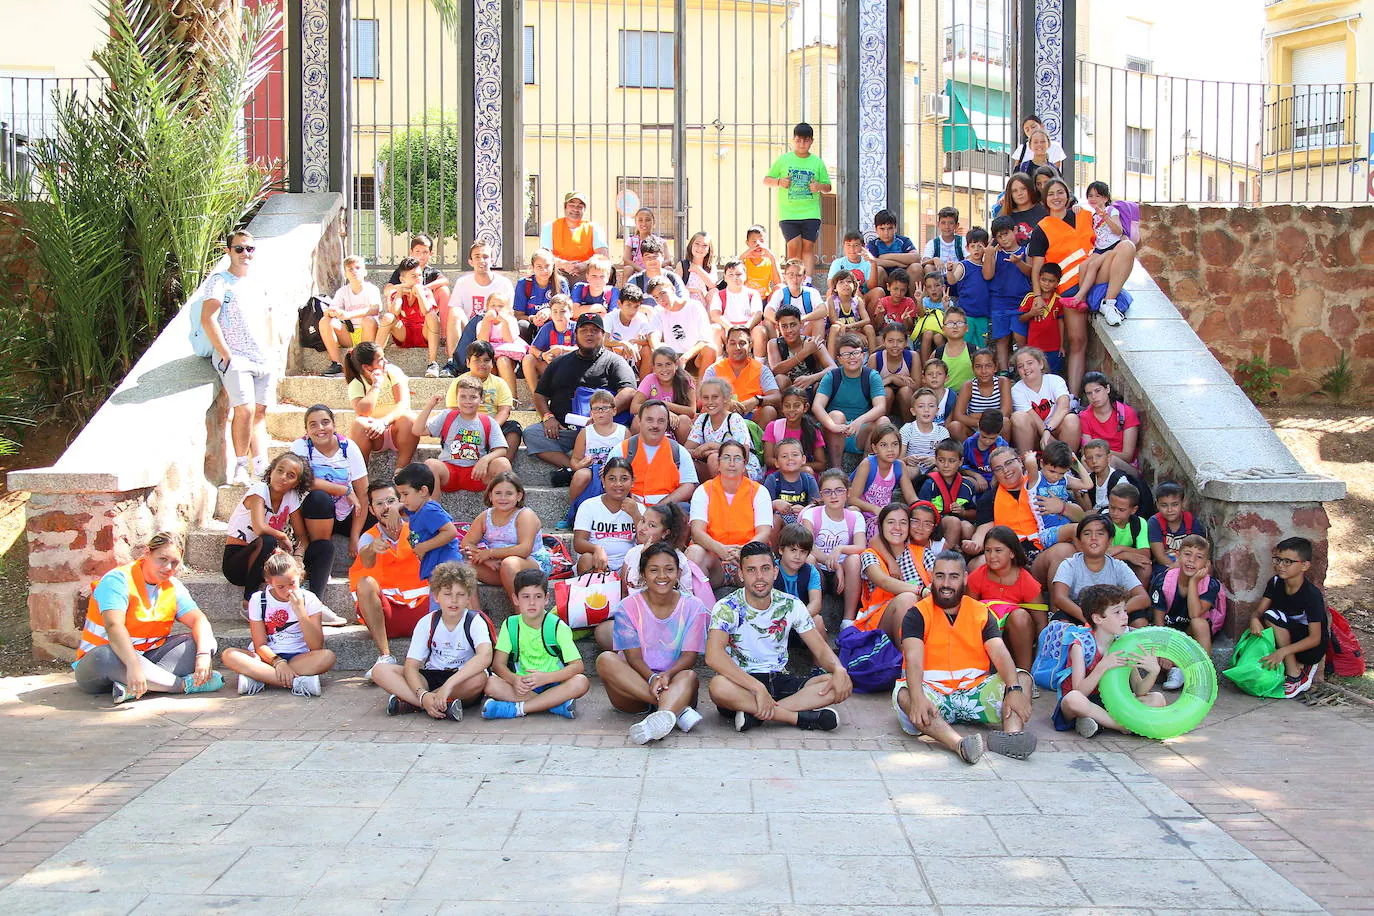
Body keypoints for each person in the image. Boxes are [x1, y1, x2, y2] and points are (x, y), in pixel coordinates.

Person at [893, 551, 1036, 763]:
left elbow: (999, 651)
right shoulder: (917, 613)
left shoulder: (981, 612)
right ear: (931, 576)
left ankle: (1012, 737)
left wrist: (1014, 689)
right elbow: (913, 659)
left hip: (975, 692)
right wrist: (918, 696)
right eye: (940, 576)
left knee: (1021, 678)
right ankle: (959, 744)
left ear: (965, 578)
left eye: (953, 576)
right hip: (934, 693)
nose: (946, 583)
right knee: (904, 693)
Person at [706, 541, 852, 731]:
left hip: (780, 679)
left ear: (775, 572)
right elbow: (713, 656)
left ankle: (756, 715)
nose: (759, 577)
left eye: (765, 569)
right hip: (742, 683)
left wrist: (839, 669)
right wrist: (757, 688)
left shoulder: (791, 604)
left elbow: (821, 649)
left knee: (834, 682)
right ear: (741, 575)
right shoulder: (727, 607)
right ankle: (797, 718)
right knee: (718, 686)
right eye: (751, 570)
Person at [73, 532, 222, 703]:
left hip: (148, 658)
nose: (168, 568)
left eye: (174, 563)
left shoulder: (173, 586)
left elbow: (198, 620)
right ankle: (183, 685)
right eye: (162, 559)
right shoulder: (117, 580)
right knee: (106, 655)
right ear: (147, 553)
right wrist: (133, 666)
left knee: (201, 640)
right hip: (103, 663)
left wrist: (203, 655)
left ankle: (140, 686)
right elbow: (114, 626)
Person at [597, 542, 710, 744]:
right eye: (654, 570)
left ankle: (655, 721)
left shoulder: (694, 606)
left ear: (678, 572)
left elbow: (689, 656)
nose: (662, 576)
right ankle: (675, 710)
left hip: (675, 681)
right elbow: (633, 657)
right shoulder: (628, 607)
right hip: (633, 689)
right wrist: (652, 679)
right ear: (642, 573)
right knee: (605, 659)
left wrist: (665, 676)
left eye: (669, 570)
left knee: (689, 676)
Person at [374, 561, 493, 720]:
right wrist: (422, 694)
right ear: (436, 596)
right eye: (447, 594)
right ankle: (432, 703)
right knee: (380, 670)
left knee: (479, 680)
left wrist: (448, 686)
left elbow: (485, 656)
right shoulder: (427, 622)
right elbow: (411, 666)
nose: (454, 600)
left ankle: (414, 702)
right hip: (431, 675)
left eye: (460, 594)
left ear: (468, 598)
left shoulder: (475, 620)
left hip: (461, 678)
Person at [1027, 177, 1115, 391]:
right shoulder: (1042, 229)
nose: (1056, 197)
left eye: (1060, 192)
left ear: (1067, 194)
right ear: (1044, 200)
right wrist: (1038, 296)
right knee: (1077, 342)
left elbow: (1110, 229)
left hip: (1098, 276)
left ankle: (1110, 301)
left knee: (1123, 248)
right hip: (1070, 289)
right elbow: (1037, 268)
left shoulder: (1085, 215)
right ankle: (1074, 395)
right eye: (1051, 194)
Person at [524, 314, 637, 475]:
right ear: (575, 334)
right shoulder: (559, 362)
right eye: (584, 330)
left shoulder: (614, 361)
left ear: (603, 335)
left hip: (600, 431)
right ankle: (573, 467)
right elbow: (540, 394)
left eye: (594, 330)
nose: (589, 334)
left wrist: (601, 415)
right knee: (531, 434)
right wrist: (548, 417)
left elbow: (628, 391)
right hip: (565, 430)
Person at [201, 230, 271, 486]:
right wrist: (226, 354)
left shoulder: (257, 282)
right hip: (236, 358)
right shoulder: (220, 281)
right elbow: (208, 318)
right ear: (228, 250)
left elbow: (267, 317)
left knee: (260, 412)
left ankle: (260, 465)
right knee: (245, 409)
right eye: (239, 248)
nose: (245, 254)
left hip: (261, 357)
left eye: (250, 249)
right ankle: (241, 466)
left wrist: (269, 349)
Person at [1053, 584, 1164, 737]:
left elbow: (1139, 689)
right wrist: (1102, 666)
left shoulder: (1123, 644)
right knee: (1073, 699)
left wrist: (1153, 672)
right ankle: (1121, 725)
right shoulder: (1081, 646)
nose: (1125, 616)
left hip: (1111, 702)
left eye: (1124, 610)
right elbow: (1079, 691)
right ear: (1098, 618)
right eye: (1117, 612)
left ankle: (1097, 722)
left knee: (1157, 699)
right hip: (1083, 702)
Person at [222, 551, 336, 697]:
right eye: (281, 586)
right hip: (267, 657)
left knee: (327, 657)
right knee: (229, 655)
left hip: (299, 657)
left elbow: (316, 645)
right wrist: (278, 662)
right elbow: (260, 644)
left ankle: (260, 678)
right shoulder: (259, 600)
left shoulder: (309, 599)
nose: (288, 590)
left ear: (299, 577)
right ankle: (297, 682)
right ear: (270, 583)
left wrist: (300, 612)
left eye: (292, 584)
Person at [348, 482, 431, 676]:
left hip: (422, 610)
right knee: (365, 583)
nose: (386, 507)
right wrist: (372, 549)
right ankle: (385, 656)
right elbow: (366, 561)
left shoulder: (415, 527)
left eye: (391, 501)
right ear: (371, 509)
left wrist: (401, 510)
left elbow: (430, 506)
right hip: (387, 616)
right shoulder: (369, 537)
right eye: (379, 504)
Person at [483, 569, 590, 718]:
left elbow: (578, 666)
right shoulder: (510, 625)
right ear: (515, 599)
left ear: (546, 598)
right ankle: (554, 705)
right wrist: (514, 679)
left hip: (553, 683)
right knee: (490, 684)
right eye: (526, 597)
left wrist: (546, 677)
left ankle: (516, 709)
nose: (532, 602)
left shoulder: (557, 626)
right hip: (522, 685)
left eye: (538, 596)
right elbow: (498, 665)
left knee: (581, 682)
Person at [290, 405, 368, 609]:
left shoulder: (348, 447)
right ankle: (319, 557)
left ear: (334, 424)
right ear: (306, 430)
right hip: (314, 514)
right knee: (319, 498)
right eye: (313, 425)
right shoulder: (301, 447)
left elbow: (363, 493)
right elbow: (305, 481)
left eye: (325, 422)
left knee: (383, 512)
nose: (320, 428)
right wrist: (343, 490)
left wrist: (355, 536)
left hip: (346, 511)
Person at [222, 452, 311, 604]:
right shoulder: (260, 489)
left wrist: (298, 556)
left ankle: (306, 603)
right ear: (271, 472)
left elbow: (302, 536)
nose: (283, 477)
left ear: (296, 483)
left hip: (265, 563)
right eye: (280, 470)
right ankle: (247, 601)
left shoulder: (291, 497)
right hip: (237, 563)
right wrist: (282, 536)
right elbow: (259, 528)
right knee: (269, 540)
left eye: (291, 475)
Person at [1250, 536, 1329, 699]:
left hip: (1310, 648)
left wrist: (1282, 652)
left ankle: (1295, 674)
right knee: (1270, 615)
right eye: (1278, 560)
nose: (1280, 565)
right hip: (1288, 639)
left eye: (1288, 562)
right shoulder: (1275, 583)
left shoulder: (1311, 595)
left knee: (1274, 616)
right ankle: (1292, 665)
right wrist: (1254, 620)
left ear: (1305, 566)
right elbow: (1259, 612)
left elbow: (1315, 638)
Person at [688, 439, 773, 586]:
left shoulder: (759, 491)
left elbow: (764, 533)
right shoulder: (704, 490)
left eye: (737, 458)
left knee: (761, 560)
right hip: (714, 557)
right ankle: (703, 606)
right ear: (718, 463)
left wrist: (744, 551)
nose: (732, 463)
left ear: (744, 463)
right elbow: (697, 532)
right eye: (726, 458)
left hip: (746, 556)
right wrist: (720, 549)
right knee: (694, 552)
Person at [461, 472, 555, 603]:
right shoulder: (485, 516)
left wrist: (490, 553)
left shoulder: (525, 515)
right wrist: (485, 560)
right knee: (464, 565)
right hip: (498, 566)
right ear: (490, 495)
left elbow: (524, 549)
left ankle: (522, 616)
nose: (503, 498)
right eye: (498, 493)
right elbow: (467, 543)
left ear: (519, 495)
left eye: (509, 493)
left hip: (531, 563)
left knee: (509, 564)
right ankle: (477, 617)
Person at [965, 525, 1044, 671]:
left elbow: (1041, 624)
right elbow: (967, 614)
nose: (991, 556)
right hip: (987, 638)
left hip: (1018, 641)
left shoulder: (1026, 581)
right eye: (988, 550)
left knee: (1019, 616)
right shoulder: (977, 576)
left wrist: (1040, 660)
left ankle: (1025, 674)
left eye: (998, 550)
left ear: (1012, 553)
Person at [1048, 515, 1151, 625]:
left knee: (1139, 620)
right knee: (1061, 623)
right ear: (1079, 541)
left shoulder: (1118, 566)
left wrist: (1115, 613)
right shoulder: (1069, 565)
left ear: (1110, 541)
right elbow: (1059, 598)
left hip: (1111, 613)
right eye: (1087, 534)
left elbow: (1143, 598)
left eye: (1100, 534)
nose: (1093, 538)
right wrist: (1089, 619)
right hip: (1079, 613)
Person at [417, 381, 512, 494]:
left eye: (473, 397)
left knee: (503, 463)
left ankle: (498, 508)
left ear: (481, 398)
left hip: (476, 472)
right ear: (456, 398)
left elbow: (502, 449)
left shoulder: (488, 422)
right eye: (463, 396)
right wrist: (430, 405)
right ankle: (433, 509)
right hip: (449, 472)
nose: (468, 401)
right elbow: (418, 430)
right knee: (431, 464)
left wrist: (485, 459)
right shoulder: (448, 415)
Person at [764, 121, 832, 279]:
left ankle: (807, 282)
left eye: (806, 140)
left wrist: (819, 186)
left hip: (811, 213)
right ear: (793, 140)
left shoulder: (817, 162)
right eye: (798, 140)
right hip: (789, 214)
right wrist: (780, 182)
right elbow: (767, 180)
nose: (802, 144)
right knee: (793, 247)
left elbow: (828, 187)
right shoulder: (783, 160)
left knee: (808, 248)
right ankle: (792, 280)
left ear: (811, 141)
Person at [854, 502, 930, 638]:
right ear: (881, 526)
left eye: (903, 523)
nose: (897, 528)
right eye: (890, 522)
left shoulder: (925, 554)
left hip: (923, 619)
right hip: (880, 622)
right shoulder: (870, 555)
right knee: (907, 599)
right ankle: (907, 657)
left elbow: (938, 580)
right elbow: (884, 582)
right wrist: (921, 590)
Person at [801, 469, 867, 625]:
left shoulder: (855, 517)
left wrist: (840, 550)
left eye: (839, 490)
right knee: (808, 559)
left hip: (845, 576)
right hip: (819, 572)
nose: (833, 495)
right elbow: (808, 545)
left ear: (848, 492)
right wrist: (833, 564)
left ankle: (848, 620)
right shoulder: (811, 514)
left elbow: (861, 546)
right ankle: (811, 614)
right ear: (821, 494)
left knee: (855, 559)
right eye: (828, 491)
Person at [813, 332, 887, 466]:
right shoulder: (832, 376)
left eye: (855, 353)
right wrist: (833, 426)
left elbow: (881, 407)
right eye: (846, 354)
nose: (851, 358)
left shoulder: (871, 376)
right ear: (839, 359)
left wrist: (859, 421)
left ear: (863, 356)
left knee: (884, 421)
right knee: (836, 415)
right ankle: (837, 469)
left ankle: (866, 468)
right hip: (834, 431)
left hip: (860, 431)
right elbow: (817, 406)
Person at [445, 242, 518, 376]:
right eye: (477, 256)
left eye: (485, 256)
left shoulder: (504, 284)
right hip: (469, 329)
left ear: (492, 260)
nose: (481, 260)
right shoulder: (463, 282)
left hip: (495, 328)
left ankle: (460, 364)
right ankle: (452, 362)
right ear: (470, 261)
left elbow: (509, 313)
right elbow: (454, 311)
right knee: (455, 312)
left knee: (481, 317)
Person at [344, 342, 420, 468]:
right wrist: (376, 385)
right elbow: (363, 412)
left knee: (409, 419)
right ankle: (360, 476)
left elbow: (403, 404)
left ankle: (400, 472)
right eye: (380, 359)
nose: (386, 361)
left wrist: (384, 422)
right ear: (367, 367)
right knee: (359, 423)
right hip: (375, 435)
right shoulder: (357, 382)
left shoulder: (393, 371)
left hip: (397, 430)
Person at [1151, 534, 1222, 665]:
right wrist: (1165, 649)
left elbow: (1195, 614)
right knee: (1158, 664)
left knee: (1199, 623)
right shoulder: (1163, 580)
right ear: (1178, 556)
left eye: (1199, 557)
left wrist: (1193, 582)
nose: (1192, 560)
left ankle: (1204, 673)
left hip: (1192, 633)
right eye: (1187, 554)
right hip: (1168, 631)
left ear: (1206, 564)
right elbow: (1158, 620)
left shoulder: (1211, 585)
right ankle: (1174, 670)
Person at [618, 400, 700, 508]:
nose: (655, 425)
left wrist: (658, 508)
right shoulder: (621, 449)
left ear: (667, 423)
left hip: (666, 512)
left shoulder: (678, 451)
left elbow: (688, 486)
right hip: (628, 509)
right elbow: (611, 482)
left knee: (685, 508)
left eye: (661, 421)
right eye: (649, 420)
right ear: (639, 421)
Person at [564, 388, 630, 522]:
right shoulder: (585, 433)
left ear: (614, 410)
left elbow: (630, 460)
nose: (600, 412)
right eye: (596, 409)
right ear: (591, 413)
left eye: (604, 408)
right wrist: (580, 465)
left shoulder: (623, 432)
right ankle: (573, 512)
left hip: (615, 472)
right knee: (581, 475)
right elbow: (575, 460)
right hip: (592, 471)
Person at [447, 341, 524, 453]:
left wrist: (489, 428)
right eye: (477, 360)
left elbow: (504, 411)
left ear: (492, 363)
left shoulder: (499, 383)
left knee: (514, 429)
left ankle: (502, 465)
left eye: (486, 360)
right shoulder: (458, 382)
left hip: (493, 425)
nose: (482, 364)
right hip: (466, 427)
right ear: (468, 363)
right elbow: (453, 410)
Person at [848, 422, 919, 540]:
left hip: (884, 516)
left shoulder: (899, 466)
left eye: (895, 444)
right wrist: (875, 509)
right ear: (875, 448)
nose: (890, 449)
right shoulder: (868, 464)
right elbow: (852, 498)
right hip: (864, 514)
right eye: (884, 445)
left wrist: (923, 508)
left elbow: (911, 498)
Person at [982, 216, 1034, 372]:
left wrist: (1019, 262)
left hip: (1021, 302)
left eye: (1006, 233)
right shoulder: (995, 253)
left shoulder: (1026, 250)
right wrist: (989, 255)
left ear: (1015, 231)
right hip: (999, 302)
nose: (1003, 239)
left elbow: (1031, 272)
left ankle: (1023, 369)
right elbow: (987, 275)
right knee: (1002, 338)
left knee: (1020, 337)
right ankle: (1004, 371)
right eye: (999, 236)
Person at [394, 462, 462, 581]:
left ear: (423, 491)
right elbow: (402, 509)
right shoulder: (416, 509)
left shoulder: (429, 510)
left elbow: (451, 532)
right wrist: (394, 509)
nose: (402, 499)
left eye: (405, 494)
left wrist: (424, 546)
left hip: (447, 568)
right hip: (435, 569)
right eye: (400, 494)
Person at [703, 325, 782, 427]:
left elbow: (776, 397)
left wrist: (756, 400)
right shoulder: (713, 370)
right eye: (732, 343)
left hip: (751, 417)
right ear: (726, 346)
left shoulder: (761, 370)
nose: (737, 347)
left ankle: (755, 442)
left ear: (750, 346)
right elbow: (704, 399)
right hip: (721, 416)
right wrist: (725, 404)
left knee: (769, 411)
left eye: (742, 343)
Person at [573, 458, 641, 575]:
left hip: (628, 564)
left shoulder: (638, 508)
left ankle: (626, 592)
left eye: (624, 479)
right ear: (603, 481)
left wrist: (636, 515)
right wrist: (597, 549)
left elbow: (646, 543)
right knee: (586, 558)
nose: (618, 484)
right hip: (597, 562)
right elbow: (578, 543)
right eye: (612, 479)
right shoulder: (588, 506)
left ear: (632, 481)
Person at [688, 376, 764, 481]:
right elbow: (686, 450)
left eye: (715, 397)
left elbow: (743, 454)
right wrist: (703, 453)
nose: (710, 402)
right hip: (713, 466)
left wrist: (710, 446)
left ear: (725, 398)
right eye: (706, 397)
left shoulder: (734, 419)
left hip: (742, 468)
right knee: (689, 463)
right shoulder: (702, 419)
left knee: (714, 458)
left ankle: (724, 495)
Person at [377, 256, 443, 377]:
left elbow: (426, 311)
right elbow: (394, 313)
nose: (418, 279)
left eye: (420, 275)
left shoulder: (426, 291)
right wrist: (401, 292)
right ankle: (375, 360)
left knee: (433, 316)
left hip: (424, 333)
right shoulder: (397, 292)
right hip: (404, 334)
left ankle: (432, 363)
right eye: (414, 276)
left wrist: (419, 293)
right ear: (402, 279)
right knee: (387, 317)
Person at [320, 254, 382, 377]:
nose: (354, 272)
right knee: (325, 321)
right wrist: (332, 312)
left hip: (368, 332)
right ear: (345, 274)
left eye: (357, 268)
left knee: (368, 320)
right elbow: (331, 308)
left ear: (365, 272)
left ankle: (365, 362)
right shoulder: (342, 291)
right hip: (349, 333)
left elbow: (375, 309)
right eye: (350, 269)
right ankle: (336, 363)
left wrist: (349, 314)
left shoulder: (371, 289)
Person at [1010, 346, 1080, 453]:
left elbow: (1064, 406)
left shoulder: (1055, 380)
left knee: (1072, 419)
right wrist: (1045, 434)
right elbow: (1032, 416)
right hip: (1034, 434)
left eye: (1030, 363)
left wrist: (1048, 430)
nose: (1025, 368)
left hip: (1056, 429)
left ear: (1041, 364)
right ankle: (1027, 460)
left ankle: (1068, 462)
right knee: (1018, 417)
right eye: (1020, 366)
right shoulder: (1017, 390)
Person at [381, 234, 452, 338]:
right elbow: (387, 290)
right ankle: (395, 334)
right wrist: (404, 287)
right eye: (417, 251)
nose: (421, 255)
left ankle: (444, 335)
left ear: (431, 254)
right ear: (411, 252)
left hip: (425, 312)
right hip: (406, 315)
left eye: (425, 252)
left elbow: (445, 280)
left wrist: (424, 288)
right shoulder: (403, 271)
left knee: (444, 290)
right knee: (392, 296)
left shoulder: (431, 271)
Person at [650, 277, 716, 379]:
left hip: (694, 355)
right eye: (656, 298)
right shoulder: (658, 311)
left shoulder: (694, 306)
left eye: (663, 293)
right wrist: (659, 350)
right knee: (650, 350)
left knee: (710, 349)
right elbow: (654, 335)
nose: (661, 300)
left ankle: (701, 389)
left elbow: (705, 339)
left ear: (672, 289)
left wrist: (685, 358)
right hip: (671, 357)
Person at [541, 190, 611, 282]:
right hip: (558, 272)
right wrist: (564, 264)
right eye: (572, 205)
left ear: (584, 210)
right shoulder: (550, 227)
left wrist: (583, 265)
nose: (575, 209)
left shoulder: (594, 228)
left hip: (586, 273)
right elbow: (545, 256)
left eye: (580, 206)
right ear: (565, 207)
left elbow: (603, 255)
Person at [919, 438, 977, 548]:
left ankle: (964, 560)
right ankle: (948, 557)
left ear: (960, 462)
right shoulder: (929, 484)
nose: (946, 465)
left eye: (951, 461)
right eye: (941, 460)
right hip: (934, 524)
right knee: (953, 522)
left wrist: (963, 512)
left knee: (968, 528)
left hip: (959, 520)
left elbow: (974, 513)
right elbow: (921, 510)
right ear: (935, 460)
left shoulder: (967, 486)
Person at [1147, 481, 1207, 587]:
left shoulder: (1191, 521)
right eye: (1164, 505)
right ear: (1157, 504)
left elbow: (1200, 550)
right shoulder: (1154, 522)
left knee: (1205, 572)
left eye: (1175, 504)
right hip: (1165, 565)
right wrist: (1175, 567)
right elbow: (1160, 556)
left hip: (1190, 563)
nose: (1170, 510)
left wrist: (1186, 567)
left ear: (1183, 503)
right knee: (1163, 579)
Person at [632, 346, 696, 443]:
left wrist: (664, 404)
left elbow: (691, 411)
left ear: (676, 365)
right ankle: (639, 451)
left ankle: (683, 454)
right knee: (638, 419)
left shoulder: (685, 380)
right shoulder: (650, 379)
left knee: (684, 420)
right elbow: (634, 407)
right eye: (659, 365)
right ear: (653, 367)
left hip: (675, 422)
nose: (664, 369)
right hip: (654, 420)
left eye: (668, 364)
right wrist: (663, 410)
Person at [1017, 261, 1070, 377]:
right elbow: (1021, 318)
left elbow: (1061, 322)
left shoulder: (1059, 300)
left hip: (1054, 347)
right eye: (1043, 280)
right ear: (1038, 279)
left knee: (1053, 375)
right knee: (1034, 374)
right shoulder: (1031, 298)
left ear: (1057, 283)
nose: (1046, 284)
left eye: (1051, 281)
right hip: (1034, 346)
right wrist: (1032, 313)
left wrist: (1061, 345)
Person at [1079, 372, 1140, 470]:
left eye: (1097, 391)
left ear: (1107, 389)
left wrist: (1102, 455)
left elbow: (1128, 456)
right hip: (1096, 463)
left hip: (1125, 466)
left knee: (1111, 460)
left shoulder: (1126, 413)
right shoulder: (1085, 416)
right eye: (1089, 393)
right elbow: (1087, 451)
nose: (1094, 397)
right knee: (1084, 460)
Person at [768, 304, 833, 396]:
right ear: (778, 328)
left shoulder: (812, 342)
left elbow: (833, 368)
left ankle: (815, 409)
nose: (789, 330)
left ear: (801, 324)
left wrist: (812, 378)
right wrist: (804, 352)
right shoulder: (774, 343)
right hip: (788, 388)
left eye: (793, 325)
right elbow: (776, 370)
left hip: (810, 385)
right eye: (784, 326)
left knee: (822, 384)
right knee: (780, 379)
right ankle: (784, 409)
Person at [951, 348, 1011, 445]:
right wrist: (982, 423)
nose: (983, 371)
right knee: (954, 427)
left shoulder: (1002, 382)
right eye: (978, 366)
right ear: (973, 368)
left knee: (1006, 422)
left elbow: (1005, 412)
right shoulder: (968, 386)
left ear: (995, 367)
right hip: (974, 429)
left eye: (988, 366)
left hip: (996, 428)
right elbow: (958, 416)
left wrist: (978, 415)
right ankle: (971, 454)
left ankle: (1001, 453)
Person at [944, 228, 992, 348]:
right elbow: (952, 280)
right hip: (966, 314)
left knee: (982, 346)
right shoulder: (963, 265)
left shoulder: (987, 266)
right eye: (973, 246)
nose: (976, 249)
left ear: (985, 247)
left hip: (983, 314)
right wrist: (949, 271)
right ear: (967, 248)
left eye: (980, 246)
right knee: (965, 346)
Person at [709, 259, 768, 357]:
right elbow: (715, 315)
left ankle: (759, 365)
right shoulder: (719, 295)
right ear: (725, 278)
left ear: (745, 276)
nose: (735, 278)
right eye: (731, 274)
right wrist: (731, 328)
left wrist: (745, 329)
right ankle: (718, 363)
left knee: (760, 331)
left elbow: (757, 314)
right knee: (715, 329)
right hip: (728, 331)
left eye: (738, 274)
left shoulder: (753, 294)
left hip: (748, 330)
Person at [764, 439, 819, 544]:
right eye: (784, 456)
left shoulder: (808, 480)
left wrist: (804, 510)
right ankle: (773, 556)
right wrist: (774, 504)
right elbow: (761, 506)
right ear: (777, 463)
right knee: (774, 520)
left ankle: (809, 550)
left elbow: (817, 505)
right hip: (780, 520)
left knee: (809, 521)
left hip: (801, 520)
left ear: (803, 459)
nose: (790, 459)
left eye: (794, 455)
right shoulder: (773, 480)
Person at [763, 385, 826, 476]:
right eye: (787, 406)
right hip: (779, 471)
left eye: (796, 406)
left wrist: (796, 466)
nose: (791, 410)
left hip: (803, 472)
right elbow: (768, 459)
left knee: (807, 471)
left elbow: (821, 464)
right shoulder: (773, 426)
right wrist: (787, 466)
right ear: (782, 408)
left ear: (805, 407)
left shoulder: (812, 430)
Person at [522, 293, 576, 393]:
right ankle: (536, 397)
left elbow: (583, 349)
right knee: (528, 359)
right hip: (551, 366)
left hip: (571, 368)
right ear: (550, 314)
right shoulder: (547, 328)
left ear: (571, 313)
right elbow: (532, 349)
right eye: (555, 312)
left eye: (563, 311)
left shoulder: (576, 328)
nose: (558, 315)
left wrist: (563, 349)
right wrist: (543, 355)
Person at [475, 292, 527, 396]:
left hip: (507, 357)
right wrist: (486, 321)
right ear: (487, 308)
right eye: (493, 306)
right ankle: (488, 398)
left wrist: (505, 322)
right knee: (486, 365)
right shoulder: (482, 323)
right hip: (489, 355)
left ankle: (512, 397)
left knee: (502, 361)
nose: (496, 309)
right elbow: (483, 342)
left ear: (508, 310)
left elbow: (509, 340)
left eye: (501, 306)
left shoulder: (511, 321)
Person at [513, 247, 569, 341]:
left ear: (553, 266)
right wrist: (533, 318)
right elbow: (518, 315)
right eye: (539, 266)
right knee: (522, 325)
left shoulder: (561, 283)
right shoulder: (524, 283)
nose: (544, 270)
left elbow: (568, 312)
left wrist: (550, 313)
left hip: (554, 324)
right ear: (532, 267)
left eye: (547, 266)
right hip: (532, 325)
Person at [1104, 481, 1154, 586]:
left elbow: (1145, 553)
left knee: (1145, 567)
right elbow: (1102, 554)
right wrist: (1127, 555)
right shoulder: (1103, 522)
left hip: (1125, 561)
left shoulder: (1140, 523)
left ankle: (1137, 598)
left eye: (1121, 510)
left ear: (1133, 510)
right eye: (1112, 507)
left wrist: (1122, 548)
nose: (1115, 513)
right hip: (1105, 564)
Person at [827, 230, 887, 313]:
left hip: (864, 298)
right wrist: (853, 290)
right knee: (830, 292)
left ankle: (869, 323)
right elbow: (831, 283)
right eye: (848, 245)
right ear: (843, 246)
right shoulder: (838, 262)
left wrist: (873, 263)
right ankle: (835, 322)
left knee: (879, 291)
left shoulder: (868, 262)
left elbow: (872, 286)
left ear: (863, 246)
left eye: (856, 245)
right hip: (843, 296)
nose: (852, 249)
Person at [605, 284, 659, 376]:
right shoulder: (610, 317)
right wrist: (623, 343)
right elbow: (603, 340)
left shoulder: (641, 318)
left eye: (636, 306)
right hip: (616, 356)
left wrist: (635, 341)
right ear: (619, 304)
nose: (632, 310)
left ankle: (643, 386)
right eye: (628, 305)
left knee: (647, 350)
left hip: (634, 358)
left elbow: (650, 338)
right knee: (606, 349)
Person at [871, 321, 918, 422]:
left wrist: (893, 379)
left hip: (906, 403)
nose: (895, 345)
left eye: (900, 341)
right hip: (883, 403)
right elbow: (871, 388)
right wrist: (891, 379)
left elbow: (916, 386)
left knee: (906, 391)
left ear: (906, 343)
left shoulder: (912, 356)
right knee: (886, 392)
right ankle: (882, 429)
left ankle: (909, 430)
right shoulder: (875, 358)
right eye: (890, 341)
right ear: (884, 341)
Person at [900, 388, 949, 478]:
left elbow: (946, 459)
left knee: (937, 472)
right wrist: (907, 460)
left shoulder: (942, 432)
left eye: (931, 406)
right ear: (913, 411)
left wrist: (936, 460)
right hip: (912, 468)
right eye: (921, 406)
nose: (926, 410)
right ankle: (906, 491)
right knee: (911, 471)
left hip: (933, 469)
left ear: (937, 410)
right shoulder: (907, 429)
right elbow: (899, 459)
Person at [766, 259, 825, 332]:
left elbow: (823, 310)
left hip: (804, 330)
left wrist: (801, 319)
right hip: (786, 331)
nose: (795, 279)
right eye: (791, 275)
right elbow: (767, 311)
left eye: (799, 275)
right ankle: (776, 343)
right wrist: (784, 322)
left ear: (804, 278)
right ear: (784, 276)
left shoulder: (811, 292)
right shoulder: (780, 293)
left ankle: (816, 343)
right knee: (768, 322)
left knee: (819, 320)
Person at [961, 409, 1009, 494]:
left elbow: (1006, 468)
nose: (987, 441)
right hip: (975, 479)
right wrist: (977, 475)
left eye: (992, 438)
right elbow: (961, 466)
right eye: (984, 437)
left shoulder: (1001, 445)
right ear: (978, 427)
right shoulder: (969, 443)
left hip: (995, 480)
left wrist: (996, 477)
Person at [999, 173, 1049, 245]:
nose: (1019, 193)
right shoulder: (1004, 216)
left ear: (1030, 189)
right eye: (1014, 191)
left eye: (1023, 189)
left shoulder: (1044, 212)